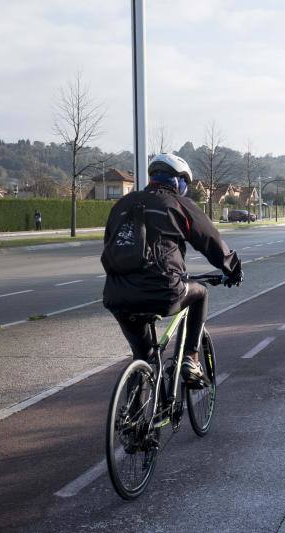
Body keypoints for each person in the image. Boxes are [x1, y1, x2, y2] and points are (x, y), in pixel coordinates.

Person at [102, 153, 242, 382]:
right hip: (163, 289)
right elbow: (211, 241)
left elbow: (110, 244)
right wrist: (233, 269)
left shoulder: (122, 204)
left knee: (143, 356)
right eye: (185, 181)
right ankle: (191, 358)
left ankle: (131, 415)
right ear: (178, 181)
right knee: (200, 293)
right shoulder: (179, 204)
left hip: (117, 294)